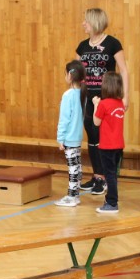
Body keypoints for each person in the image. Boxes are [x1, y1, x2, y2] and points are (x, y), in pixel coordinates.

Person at [76, 8, 129, 197]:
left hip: (107, 97)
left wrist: (125, 96)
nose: (83, 24)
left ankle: (107, 177)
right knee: (91, 135)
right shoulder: (82, 46)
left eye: (86, 21)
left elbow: (123, 70)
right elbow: (76, 72)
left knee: (104, 137)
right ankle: (97, 176)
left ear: (95, 22)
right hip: (87, 97)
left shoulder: (112, 43)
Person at [93, 71, 125, 214]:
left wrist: (96, 104)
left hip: (107, 146)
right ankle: (110, 200)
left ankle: (112, 203)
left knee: (109, 175)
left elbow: (96, 122)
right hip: (119, 145)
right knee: (113, 174)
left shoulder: (103, 104)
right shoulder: (120, 104)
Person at [55, 61, 86, 207]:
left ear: (69, 75)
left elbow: (64, 119)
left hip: (69, 138)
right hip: (77, 137)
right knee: (77, 166)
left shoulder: (68, 95)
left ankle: (72, 197)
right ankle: (75, 195)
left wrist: (60, 138)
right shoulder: (83, 93)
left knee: (73, 168)